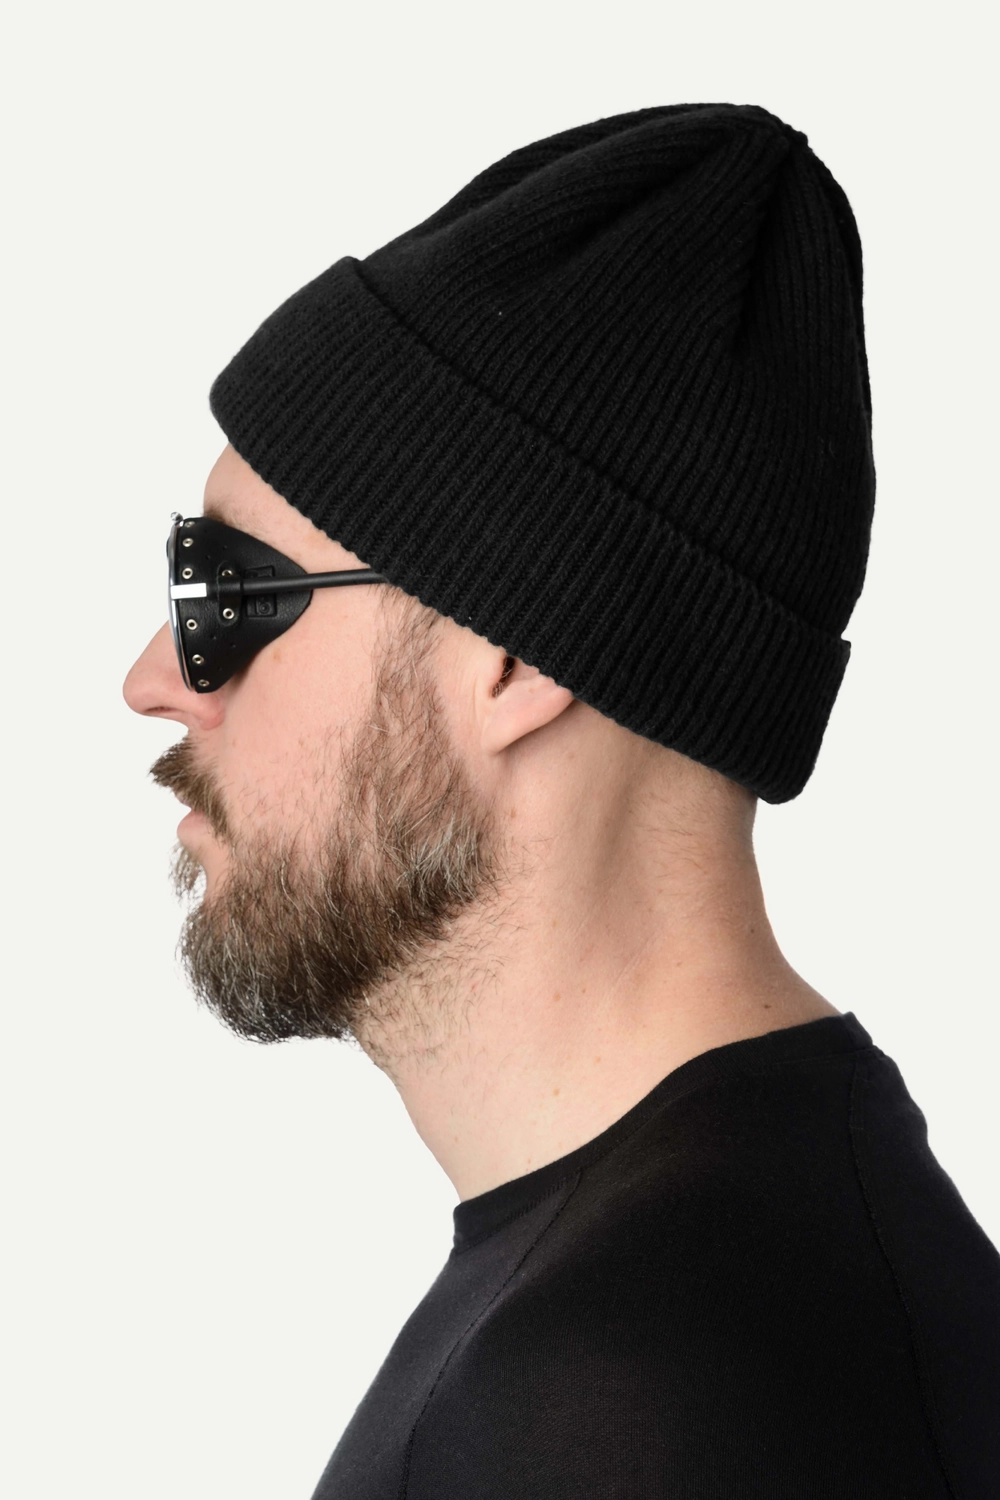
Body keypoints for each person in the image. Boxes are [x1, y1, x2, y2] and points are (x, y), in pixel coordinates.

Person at [123, 104, 1000, 1497]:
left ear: (516, 657)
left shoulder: (644, 1392)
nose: (156, 680)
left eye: (230, 592)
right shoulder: (702, 1281)